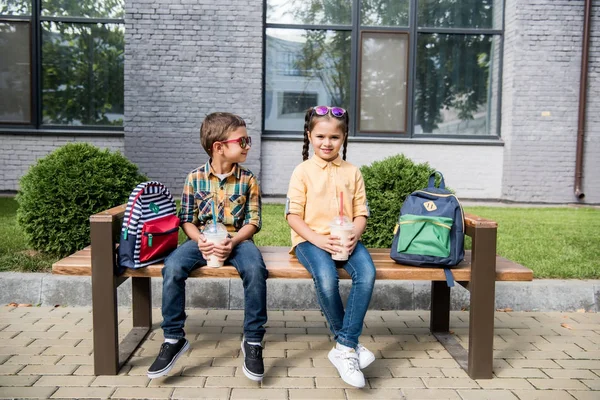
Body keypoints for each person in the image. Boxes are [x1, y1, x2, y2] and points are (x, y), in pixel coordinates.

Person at [147, 112, 268, 382]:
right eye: (243, 140)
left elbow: (254, 221)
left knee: (255, 270)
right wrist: (198, 239)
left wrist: (232, 241)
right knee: (173, 266)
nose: (248, 145)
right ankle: (173, 337)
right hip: (201, 240)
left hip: (238, 240)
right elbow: (186, 219)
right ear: (219, 146)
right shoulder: (194, 178)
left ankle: (253, 341)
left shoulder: (248, 179)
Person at [285, 106, 376, 388]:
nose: (327, 143)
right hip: (310, 241)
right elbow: (292, 216)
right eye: (320, 136)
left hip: (346, 239)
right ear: (310, 136)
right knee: (327, 278)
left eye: (334, 137)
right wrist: (318, 239)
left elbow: (362, 212)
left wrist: (354, 234)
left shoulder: (353, 172)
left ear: (344, 137)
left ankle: (344, 347)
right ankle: (348, 345)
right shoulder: (302, 172)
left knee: (368, 275)